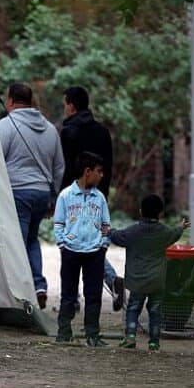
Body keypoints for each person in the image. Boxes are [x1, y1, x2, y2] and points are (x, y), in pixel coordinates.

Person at [0, 83, 64, 310]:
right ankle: (38, 286)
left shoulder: (6, 126)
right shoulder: (50, 129)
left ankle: (19, 292)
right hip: (42, 193)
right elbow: (59, 167)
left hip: (18, 193)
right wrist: (53, 196)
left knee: (16, 243)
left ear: (10, 100)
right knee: (31, 240)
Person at [59, 86, 124, 311]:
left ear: (71, 106)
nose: (64, 109)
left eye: (65, 104)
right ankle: (111, 281)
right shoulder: (102, 131)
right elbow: (108, 166)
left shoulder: (68, 133)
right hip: (98, 194)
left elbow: (67, 169)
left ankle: (73, 299)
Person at [108, 194, 190, 351]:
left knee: (133, 308)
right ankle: (154, 342)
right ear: (160, 213)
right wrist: (181, 227)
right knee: (155, 311)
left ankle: (130, 337)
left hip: (137, 281)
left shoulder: (133, 232)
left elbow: (117, 237)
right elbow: (175, 233)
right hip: (157, 281)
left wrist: (109, 231)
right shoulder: (164, 232)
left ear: (141, 211)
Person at [53, 151, 110, 347]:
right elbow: (58, 224)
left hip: (94, 253)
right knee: (68, 294)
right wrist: (63, 244)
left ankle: (92, 334)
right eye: (98, 171)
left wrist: (103, 245)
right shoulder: (65, 196)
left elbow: (105, 224)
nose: (101, 175)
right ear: (87, 172)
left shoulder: (100, 198)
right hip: (71, 251)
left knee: (93, 295)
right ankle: (64, 331)